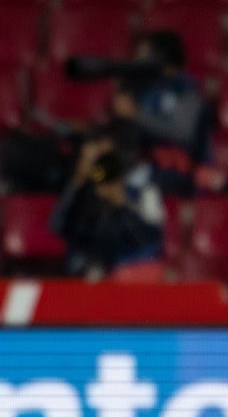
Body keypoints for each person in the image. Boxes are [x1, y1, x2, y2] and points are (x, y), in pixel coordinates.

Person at [47, 124, 164, 280]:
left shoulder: (141, 188)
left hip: (136, 271)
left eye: (100, 157)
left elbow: (150, 240)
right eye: (88, 159)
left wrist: (120, 203)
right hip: (90, 272)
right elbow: (58, 226)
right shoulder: (81, 193)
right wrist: (77, 182)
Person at [111, 30, 210, 198]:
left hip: (178, 169)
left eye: (143, 55)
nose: (137, 61)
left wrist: (136, 114)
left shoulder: (185, 88)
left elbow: (182, 131)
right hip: (142, 165)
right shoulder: (138, 87)